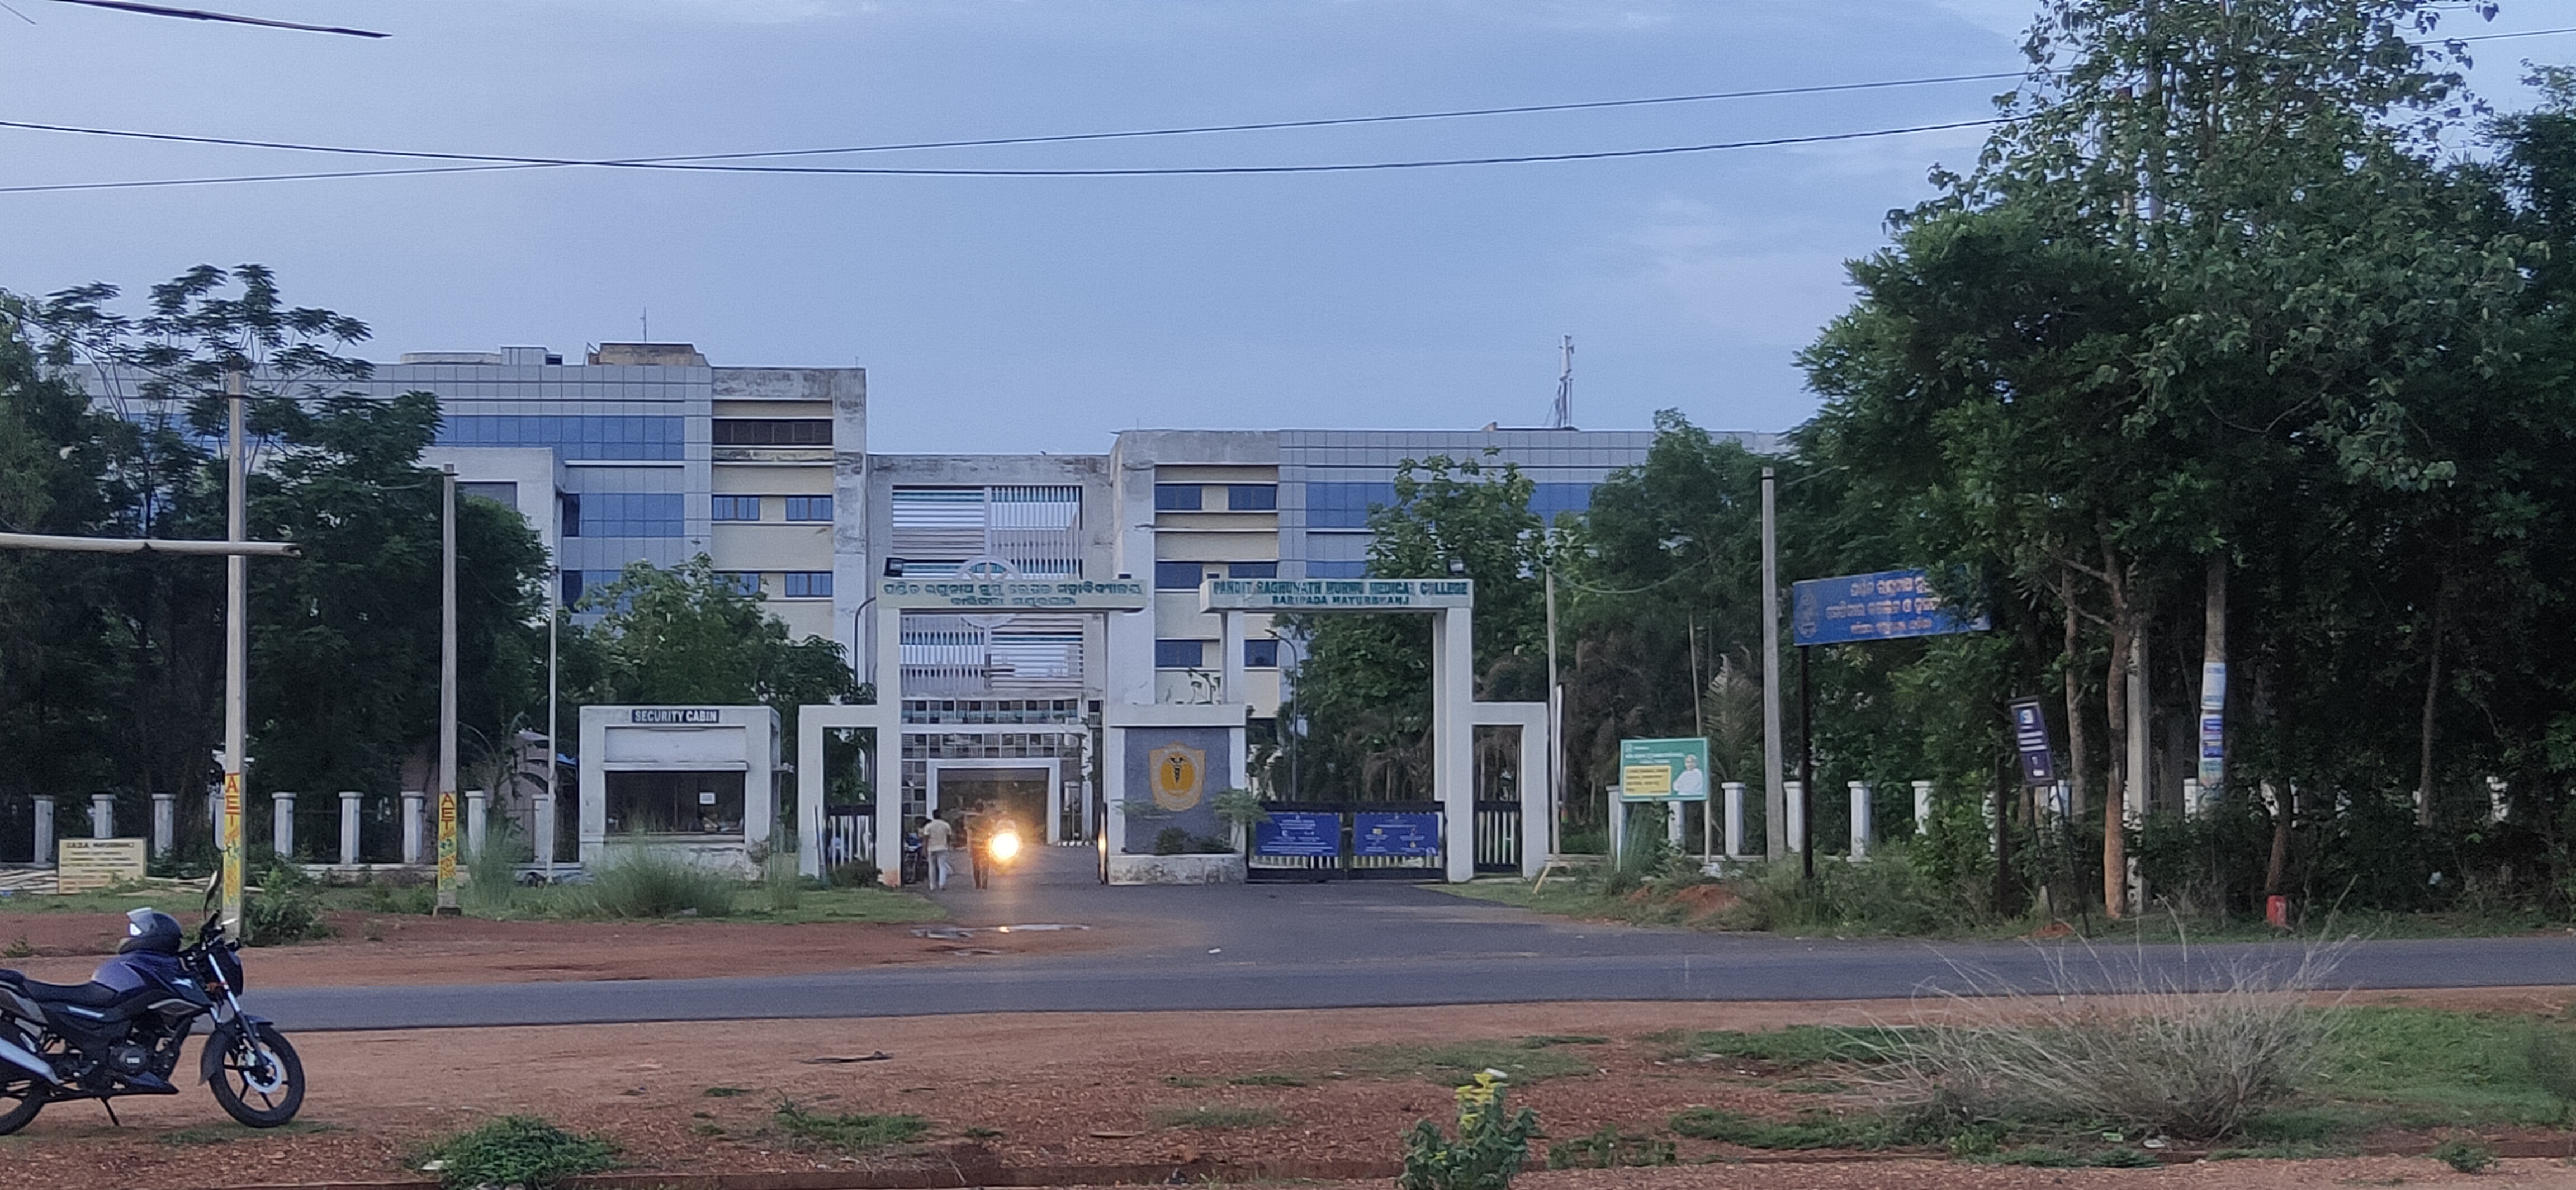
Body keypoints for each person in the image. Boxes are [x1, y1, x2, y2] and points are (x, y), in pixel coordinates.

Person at [917, 811, 955, 890]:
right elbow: (949, 836)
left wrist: (925, 849)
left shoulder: (929, 826)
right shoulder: (946, 825)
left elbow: (926, 839)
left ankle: (932, 886)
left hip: (932, 848)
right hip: (943, 847)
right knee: (943, 866)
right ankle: (942, 884)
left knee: (932, 867)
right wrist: (947, 844)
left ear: (933, 816)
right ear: (941, 815)